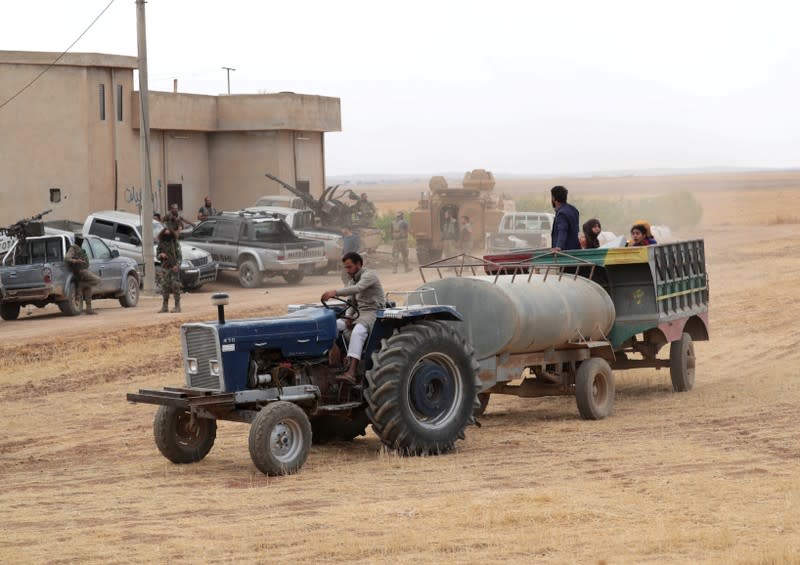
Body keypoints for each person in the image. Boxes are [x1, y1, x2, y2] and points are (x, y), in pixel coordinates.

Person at [321, 252, 385, 384]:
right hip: (359, 313)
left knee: (358, 331)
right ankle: (332, 360)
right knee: (332, 325)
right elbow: (351, 302)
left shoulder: (369, 275)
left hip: (373, 312)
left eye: (349, 267)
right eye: (345, 267)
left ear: (359, 264)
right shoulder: (352, 280)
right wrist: (349, 317)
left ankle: (351, 371)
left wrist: (335, 292)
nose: (347, 270)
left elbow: (357, 289)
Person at [64, 235, 101, 315]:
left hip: (84, 270)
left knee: (88, 289)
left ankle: (89, 309)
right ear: (77, 241)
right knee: (97, 280)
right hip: (81, 271)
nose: (82, 242)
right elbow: (67, 258)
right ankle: (81, 285)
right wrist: (76, 261)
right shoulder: (73, 248)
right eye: (80, 240)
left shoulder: (79, 249)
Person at [156, 228, 182, 313]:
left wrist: (177, 266)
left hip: (174, 268)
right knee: (165, 287)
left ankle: (177, 306)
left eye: (169, 232)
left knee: (175, 286)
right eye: (165, 232)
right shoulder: (161, 244)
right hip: (165, 268)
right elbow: (157, 256)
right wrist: (161, 255)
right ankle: (165, 306)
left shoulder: (175, 243)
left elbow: (180, 256)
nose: (167, 234)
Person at [549, 185, 580, 251]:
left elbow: (562, 230)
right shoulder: (573, 209)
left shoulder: (561, 214)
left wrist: (559, 247)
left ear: (554, 198)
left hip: (564, 253)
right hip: (575, 250)